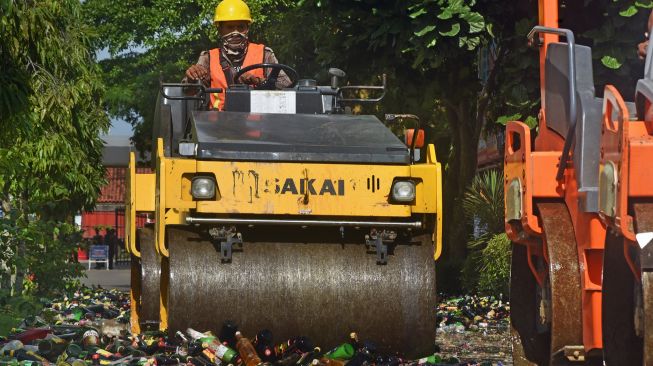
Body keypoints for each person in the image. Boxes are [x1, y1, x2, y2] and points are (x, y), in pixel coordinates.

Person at [184, 0, 292, 110]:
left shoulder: (265, 53)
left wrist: (260, 82)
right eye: (230, 27)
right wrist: (191, 79)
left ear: (247, 29)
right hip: (218, 122)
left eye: (240, 27)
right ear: (220, 30)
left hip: (258, 122)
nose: (235, 32)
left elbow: (287, 88)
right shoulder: (208, 57)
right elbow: (188, 92)